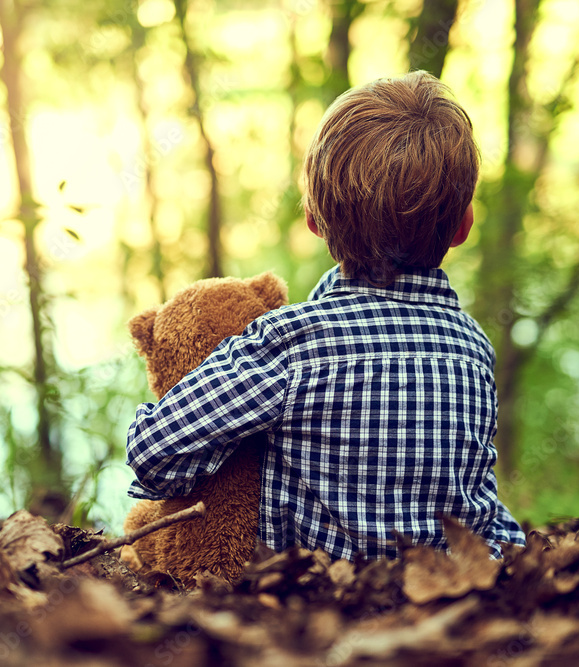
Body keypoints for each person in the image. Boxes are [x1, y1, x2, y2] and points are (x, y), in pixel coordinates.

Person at [126, 71, 526, 560]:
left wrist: (238, 452)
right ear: (463, 226)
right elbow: (478, 500)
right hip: (453, 593)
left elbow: (154, 450)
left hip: (315, 607)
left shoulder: (291, 344)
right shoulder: (473, 348)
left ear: (314, 220)